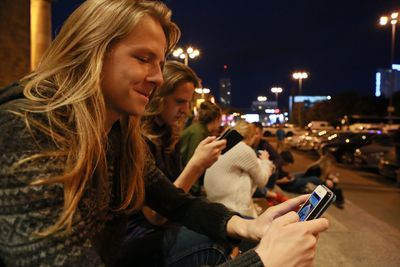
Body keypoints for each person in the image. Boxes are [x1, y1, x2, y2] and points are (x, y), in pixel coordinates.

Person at [0, 1, 329, 266]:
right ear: (91, 53)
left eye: (160, 63)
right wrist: (264, 262)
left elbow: (175, 202)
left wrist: (248, 225)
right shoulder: (26, 132)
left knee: (214, 239)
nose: (158, 78)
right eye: (144, 59)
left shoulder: (118, 131)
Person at [123, 60, 228, 265]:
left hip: (161, 228)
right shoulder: (138, 139)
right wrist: (197, 165)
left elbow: (178, 197)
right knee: (214, 241)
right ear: (158, 97)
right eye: (179, 101)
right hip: (137, 236)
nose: (186, 109)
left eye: (188, 102)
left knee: (234, 227)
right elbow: (156, 215)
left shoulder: (166, 136)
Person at [204, 121, 275, 218]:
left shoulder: (223, 144)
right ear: (251, 136)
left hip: (214, 201)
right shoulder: (243, 149)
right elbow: (262, 181)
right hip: (231, 210)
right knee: (253, 170)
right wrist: (265, 161)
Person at [179, 100, 222, 195]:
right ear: (216, 119)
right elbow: (191, 161)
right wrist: (195, 192)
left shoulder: (200, 130)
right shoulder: (197, 133)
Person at [252, 122, 289, 204]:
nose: (253, 136)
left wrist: (272, 166)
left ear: (261, 134)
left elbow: (279, 159)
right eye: (251, 133)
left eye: (256, 133)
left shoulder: (264, 144)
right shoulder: (246, 146)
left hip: (267, 179)